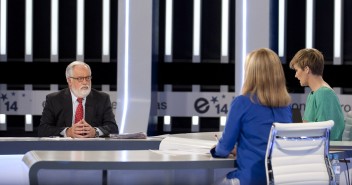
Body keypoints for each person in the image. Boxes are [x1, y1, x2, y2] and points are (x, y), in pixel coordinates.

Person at [210, 48, 292, 185]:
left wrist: (217, 150)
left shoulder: (242, 103)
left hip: (250, 179)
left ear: (251, 74)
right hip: (279, 179)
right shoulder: (286, 107)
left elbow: (223, 149)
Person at [38, 61, 119, 138]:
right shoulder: (54, 99)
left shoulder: (102, 99)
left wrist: (95, 132)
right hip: (64, 149)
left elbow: (113, 128)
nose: (85, 82)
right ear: (69, 80)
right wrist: (67, 132)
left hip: (92, 149)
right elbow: (43, 130)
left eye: (88, 78)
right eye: (80, 78)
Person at [289, 48, 344, 141]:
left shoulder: (324, 94)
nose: (296, 75)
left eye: (296, 70)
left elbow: (328, 134)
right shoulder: (313, 94)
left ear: (306, 69)